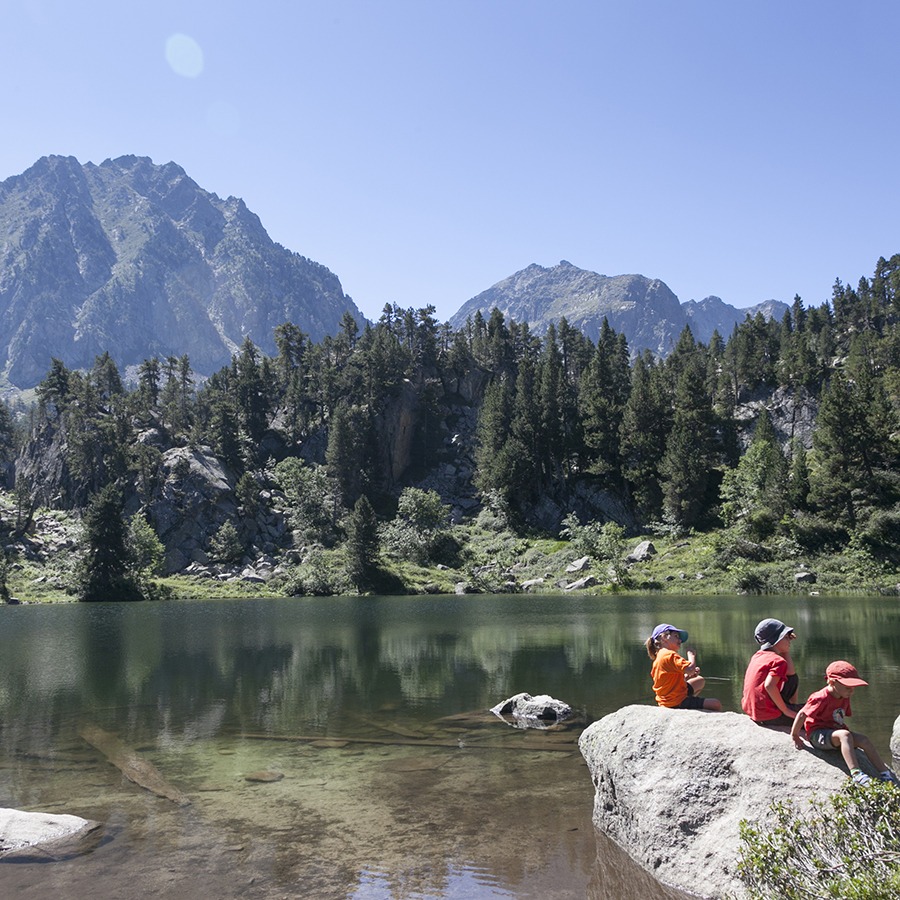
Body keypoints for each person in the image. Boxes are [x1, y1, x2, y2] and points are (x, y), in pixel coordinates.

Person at [790, 660, 899, 786]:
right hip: (818, 735)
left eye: (853, 687)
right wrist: (795, 735)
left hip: (834, 733)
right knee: (844, 735)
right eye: (848, 687)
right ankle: (856, 774)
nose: (851, 691)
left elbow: (838, 718)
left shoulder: (844, 696)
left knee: (864, 740)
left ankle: (885, 773)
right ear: (832, 682)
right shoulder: (820, 698)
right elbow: (802, 714)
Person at [645, 623, 722, 711]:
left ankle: (690, 703)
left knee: (699, 680)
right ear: (664, 637)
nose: (680, 640)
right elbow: (690, 669)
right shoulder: (670, 655)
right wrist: (691, 655)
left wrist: (687, 676)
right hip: (677, 701)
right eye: (676, 636)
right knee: (716, 704)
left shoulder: (660, 655)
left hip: (665, 701)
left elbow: (668, 681)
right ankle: (687, 705)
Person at [741, 618, 801, 727]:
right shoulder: (778, 661)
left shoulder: (757, 656)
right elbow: (769, 685)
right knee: (818, 715)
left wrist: (785, 650)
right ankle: (788, 709)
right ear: (776, 640)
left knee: (792, 678)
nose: (789, 641)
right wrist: (786, 710)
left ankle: (790, 707)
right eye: (786, 637)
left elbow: (791, 674)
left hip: (754, 712)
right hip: (771, 715)